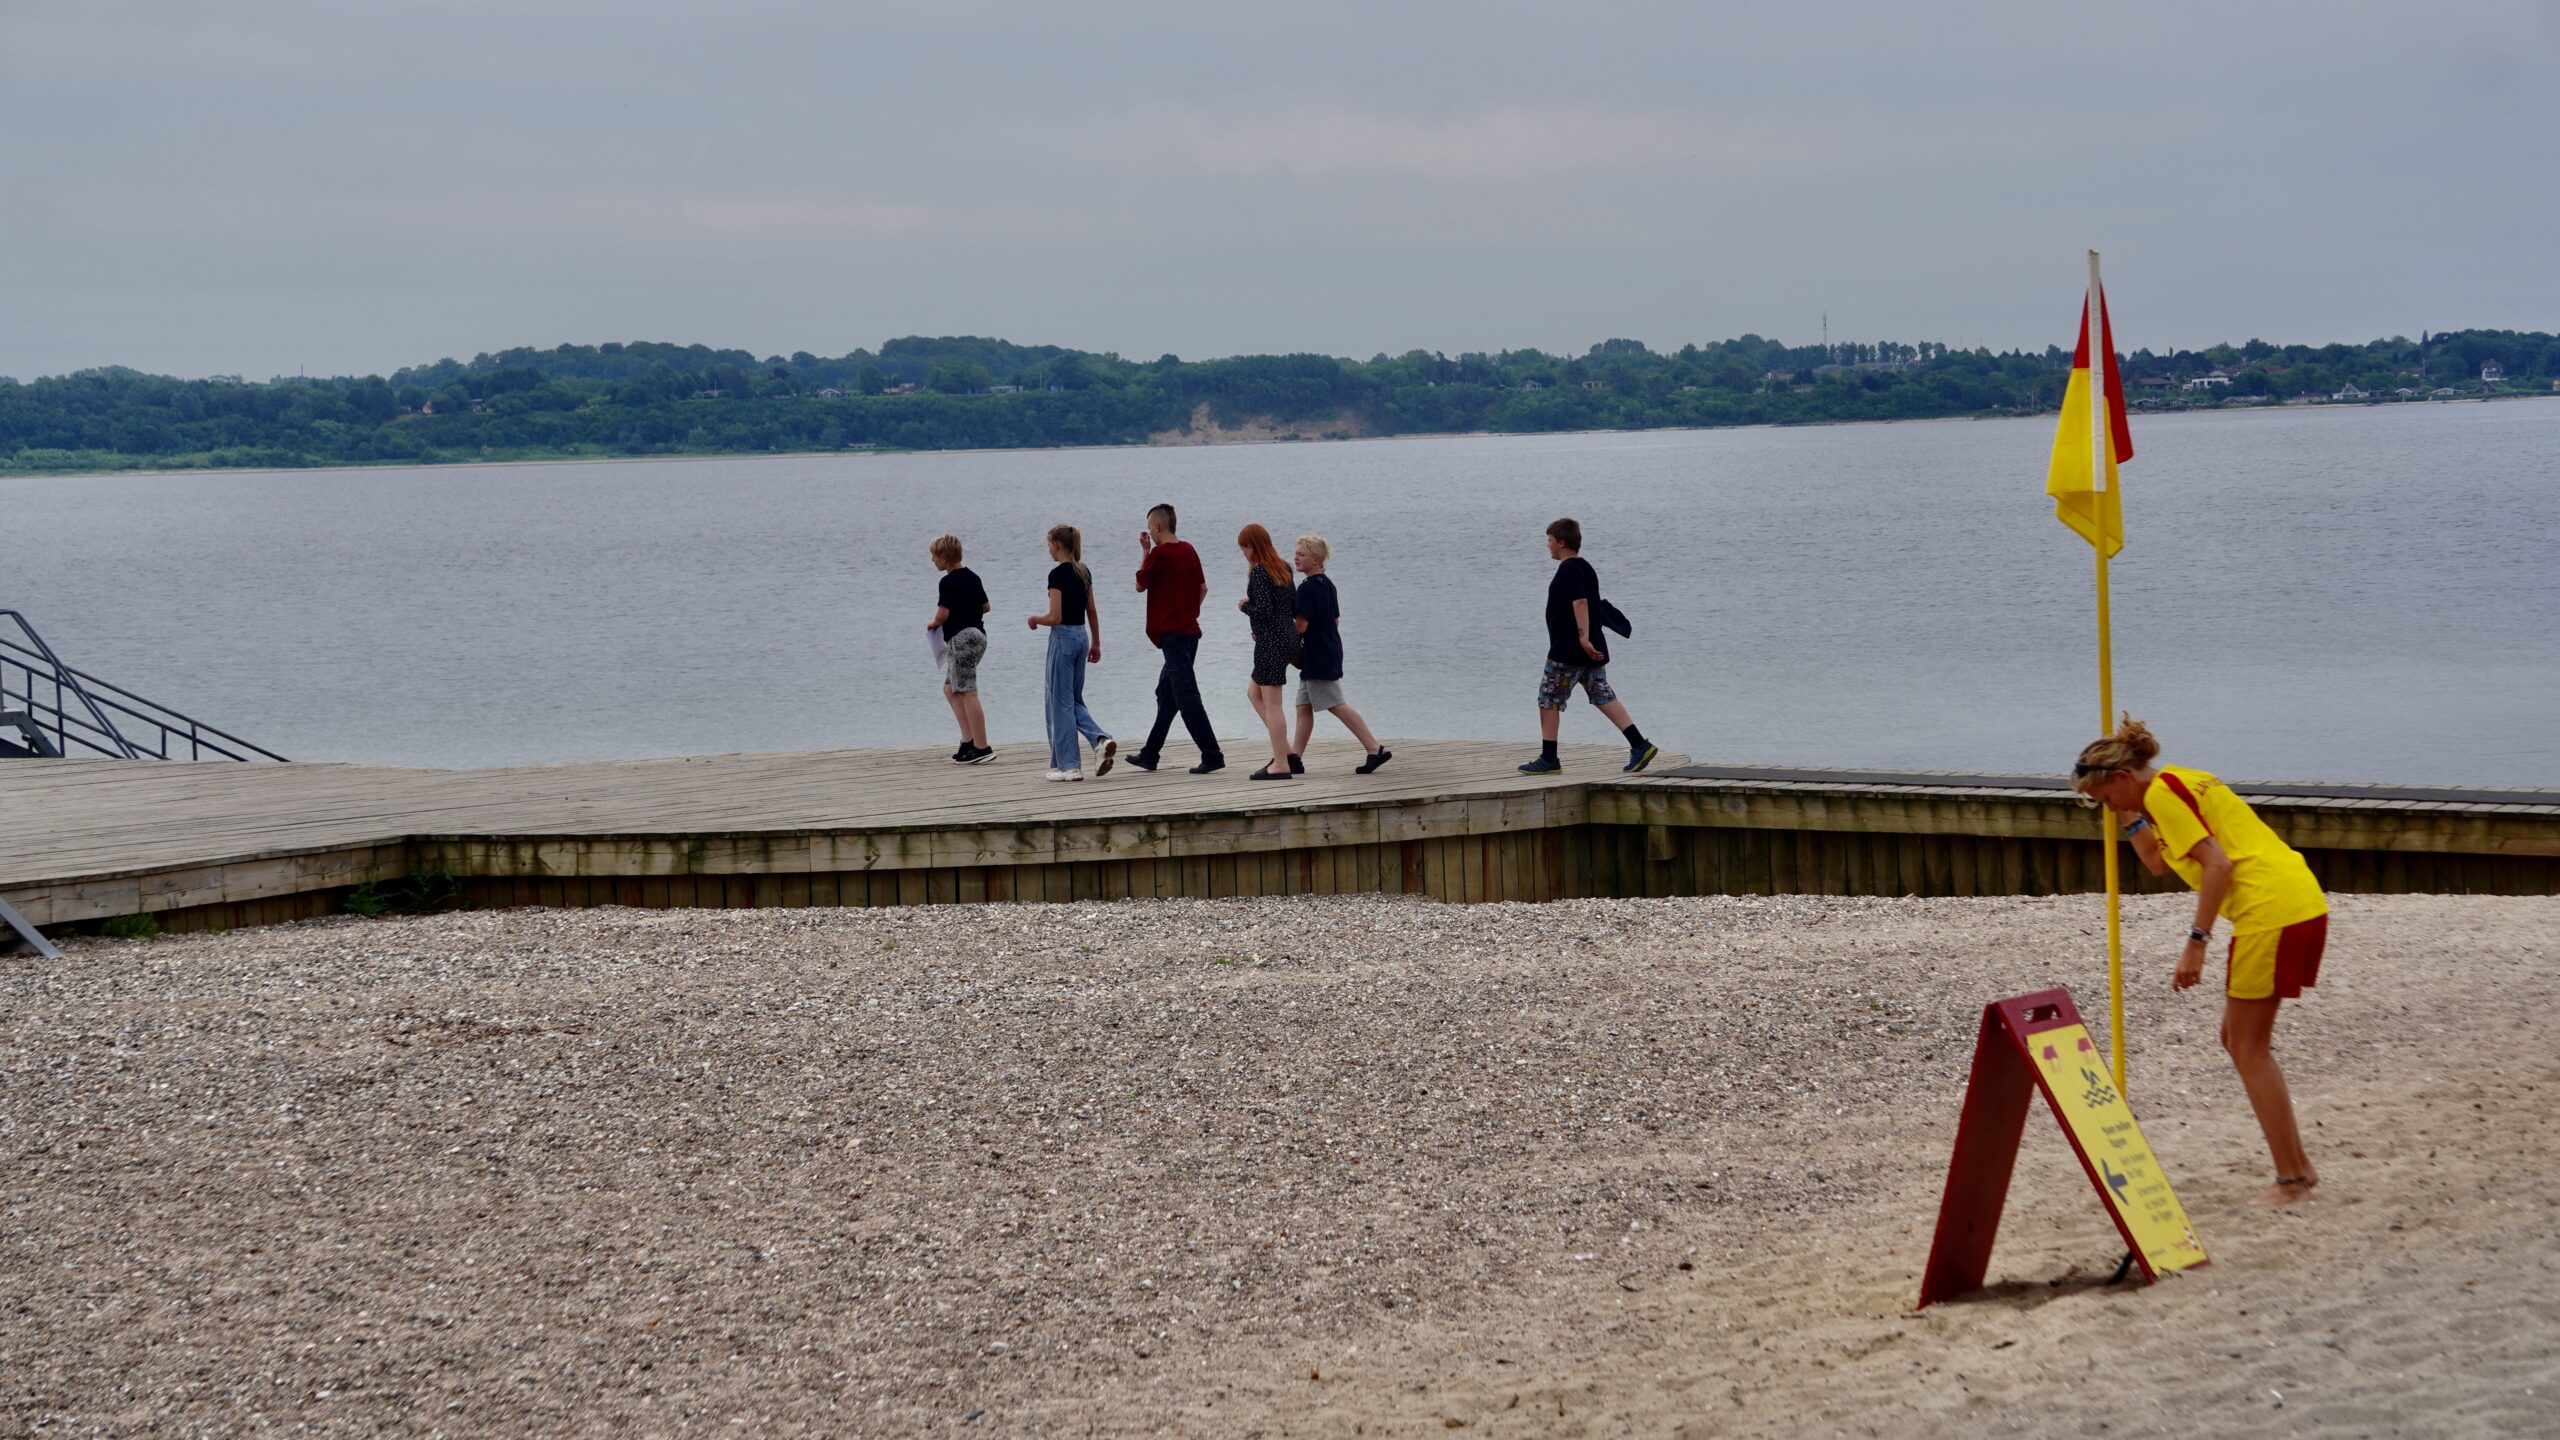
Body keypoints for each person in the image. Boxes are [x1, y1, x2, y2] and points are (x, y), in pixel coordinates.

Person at [2073, 716, 2330, 1207]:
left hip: (2270, 909)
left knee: (2248, 1048)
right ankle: (2300, 1168)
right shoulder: (2177, 782)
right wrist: (2127, 815)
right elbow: (2154, 860)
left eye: (2107, 800)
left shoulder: (2166, 795)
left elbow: (2218, 864)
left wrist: (2197, 940)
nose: (2109, 810)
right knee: (2237, 1040)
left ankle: (2292, 1182)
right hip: (2290, 901)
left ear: (2124, 777)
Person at [1519, 517, 1657, 775]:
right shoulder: (1586, 568)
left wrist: (1582, 638)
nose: (1548, 546)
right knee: (1603, 695)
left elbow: (1580, 603)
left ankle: (1549, 759)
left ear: (1561, 542)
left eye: (1549, 541)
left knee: (1548, 699)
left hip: (1570, 650)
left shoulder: (1569, 569)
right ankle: (1640, 745)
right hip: (1590, 650)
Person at [1126, 503, 1225, 775]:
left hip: (1174, 636)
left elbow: (1139, 585)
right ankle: (1149, 754)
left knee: (1186, 696)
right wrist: (1189, 612)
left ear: (1157, 526)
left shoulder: (1160, 554)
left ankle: (1212, 754)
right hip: (1190, 632)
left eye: (1150, 528)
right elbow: (1202, 588)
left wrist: (1145, 552)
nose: (1150, 533)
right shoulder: (1189, 550)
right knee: (1167, 694)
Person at [1286, 535, 1391, 775]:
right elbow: (1335, 620)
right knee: (1303, 706)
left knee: (1336, 704)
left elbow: (1300, 626)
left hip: (1318, 655)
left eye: (1301, 554)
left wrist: (1278, 635)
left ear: (1316, 559)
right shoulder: (1327, 584)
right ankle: (1295, 758)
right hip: (1329, 650)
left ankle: (1375, 749)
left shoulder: (1306, 588)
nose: (1296, 557)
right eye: (1296, 553)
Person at [1025, 524, 1116, 782]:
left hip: (1063, 639)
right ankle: (1098, 741)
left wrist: (1035, 619)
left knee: (1060, 703)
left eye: (1049, 545)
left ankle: (1070, 765)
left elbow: (1055, 617)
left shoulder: (1057, 575)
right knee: (1072, 700)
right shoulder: (1083, 571)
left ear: (1057, 544)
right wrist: (1096, 643)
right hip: (1081, 636)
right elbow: (1092, 612)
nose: (1049, 550)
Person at [1233, 523, 1298, 781]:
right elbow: (1293, 606)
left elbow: (1263, 612)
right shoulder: (1284, 568)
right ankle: (1288, 752)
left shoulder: (1259, 572)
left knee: (1273, 704)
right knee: (1253, 692)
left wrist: (1244, 607)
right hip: (1288, 636)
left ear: (1252, 546)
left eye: (1244, 548)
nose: (1244, 554)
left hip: (1270, 641)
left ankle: (1281, 764)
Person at [926, 533, 994, 764]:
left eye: (934, 557)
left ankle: (982, 746)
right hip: (979, 636)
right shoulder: (973, 577)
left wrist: (934, 624)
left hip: (961, 639)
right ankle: (968, 740)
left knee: (967, 690)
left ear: (944, 557)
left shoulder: (947, 581)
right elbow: (985, 607)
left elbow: (943, 613)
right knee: (951, 688)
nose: (933, 561)